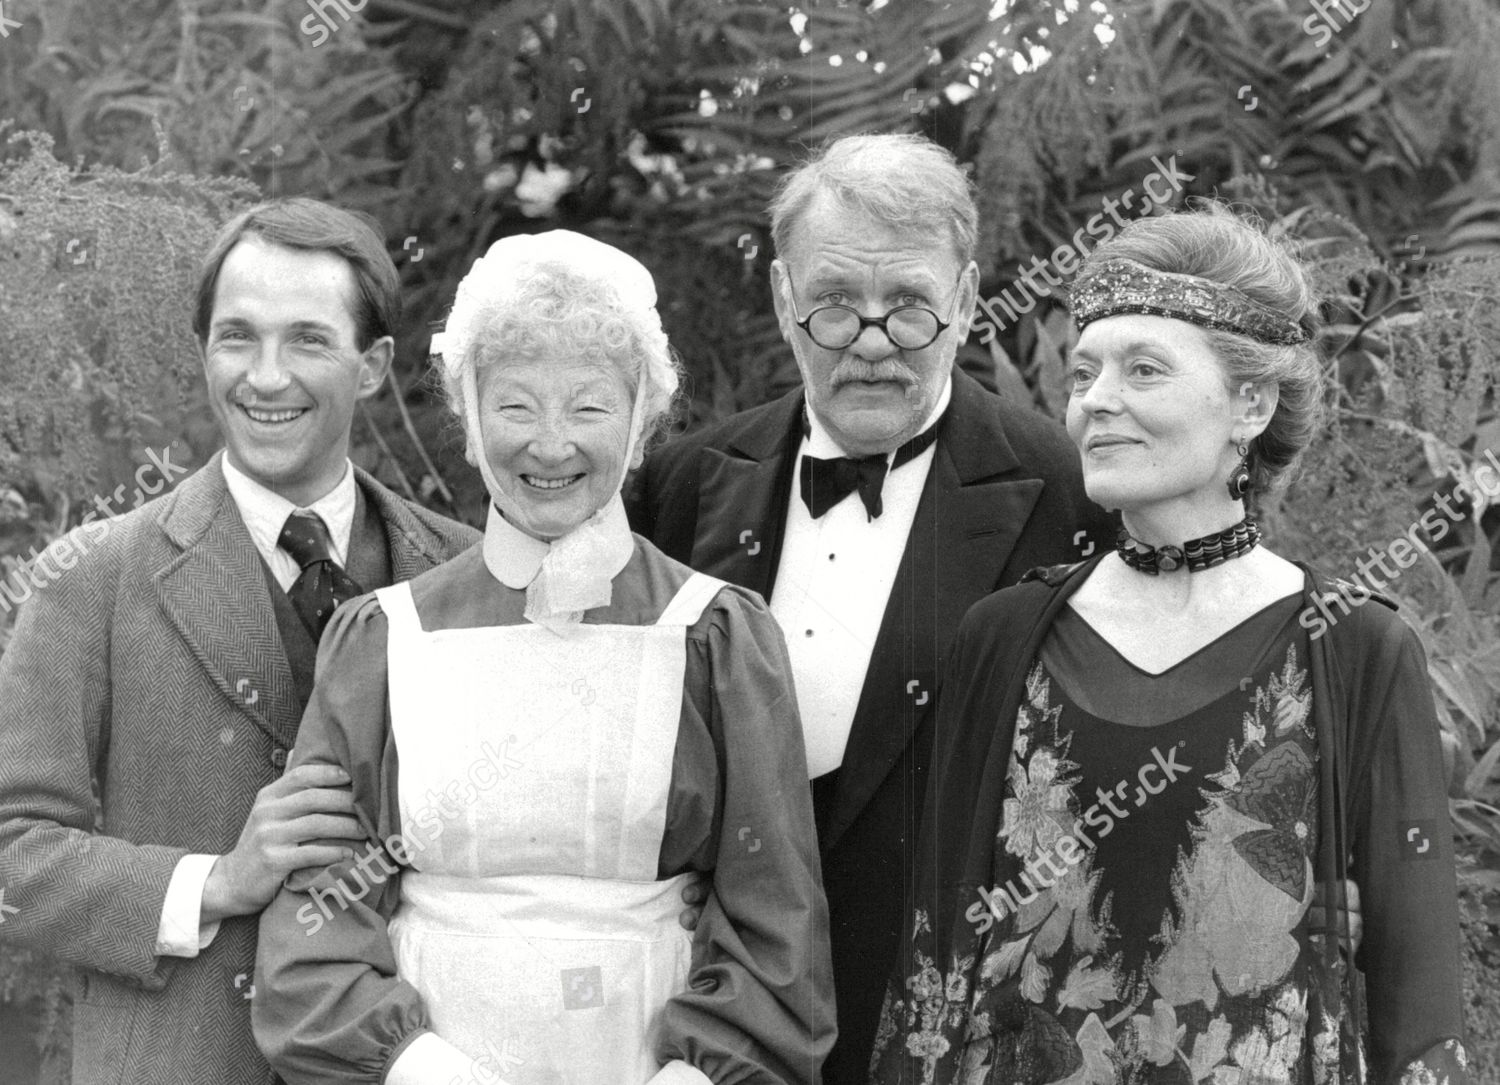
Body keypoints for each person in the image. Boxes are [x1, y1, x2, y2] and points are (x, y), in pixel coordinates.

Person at [872, 204, 1471, 1083]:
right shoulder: (1002, 637)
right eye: (1083, 373)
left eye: (1144, 369)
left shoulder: (1353, 650)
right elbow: (932, 967)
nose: (1095, 400)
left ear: (1251, 404)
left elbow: (1419, 1006)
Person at [252, 231, 835, 1085]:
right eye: (517, 407)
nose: (551, 445)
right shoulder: (381, 640)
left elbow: (776, 927)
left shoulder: (715, 637)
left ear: (640, 426)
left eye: (589, 409)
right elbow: (316, 928)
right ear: (469, 421)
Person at [627, 133, 1116, 1084]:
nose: (873, 340)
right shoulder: (683, 483)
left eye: (910, 307)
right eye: (836, 304)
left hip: (947, 1023)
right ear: (783, 299)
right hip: (709, 1020)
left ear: (966, 299)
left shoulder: (1070, 497)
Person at [0, 198, 479, 1084]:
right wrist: (215, 880)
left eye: (307, 340)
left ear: (373, 365)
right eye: (237, 337)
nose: (265, 376)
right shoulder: (87, 577)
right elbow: (10, 852)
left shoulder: (463, 571)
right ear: (203, 351)